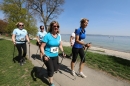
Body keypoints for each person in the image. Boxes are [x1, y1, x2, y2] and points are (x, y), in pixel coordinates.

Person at [40, 21, 66, 86]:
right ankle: (51, 83)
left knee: (55, 69)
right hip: (47, 56)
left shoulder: (59, 36)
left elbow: (60, 45)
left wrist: (63, 52)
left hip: (55, 56)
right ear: (51, 27)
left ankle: (49, 71)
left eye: (57, 26)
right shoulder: (47, 36)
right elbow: (42, 47)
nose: (56, 27)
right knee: (51, 70)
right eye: (54, 26)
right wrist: (44, 55)